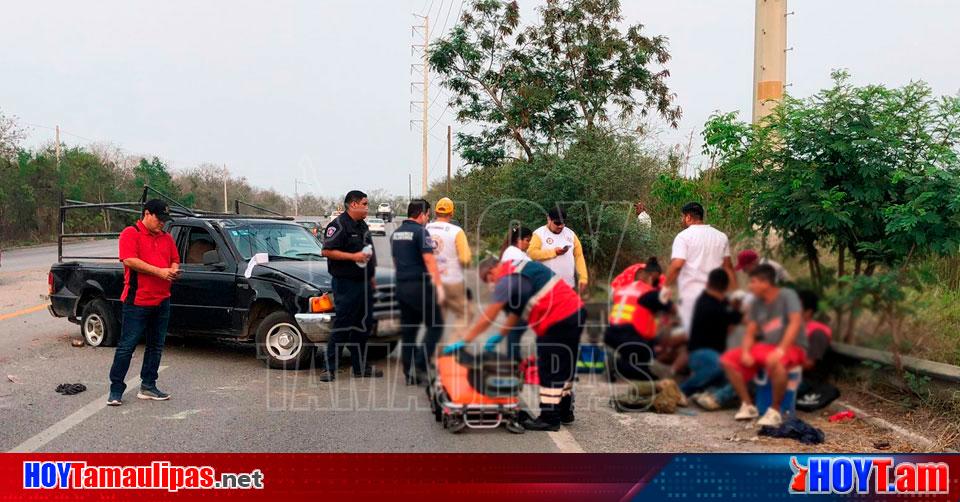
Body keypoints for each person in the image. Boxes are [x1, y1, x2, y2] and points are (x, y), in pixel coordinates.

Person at [450, 258, 586, 431]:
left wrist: (465, 340)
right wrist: (499, 336)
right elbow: (516, 313)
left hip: (557, 319)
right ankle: (565, 411)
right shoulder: (520, 270)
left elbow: (490, 315)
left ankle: (550, 419)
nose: (490, 284)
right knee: (563, 366)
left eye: (488, 279)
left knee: (549, 369)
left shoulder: (506, 279)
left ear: (492, 269)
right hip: (576, 312)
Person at [107, 199, 180, 406]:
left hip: (162, 300)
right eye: (159, 219)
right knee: (127, 346)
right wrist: (160, 272)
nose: (162, 224)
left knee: (156, 346)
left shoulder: (166, 238)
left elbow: (175, 258)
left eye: (165, 220)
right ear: (147, 214)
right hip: (137, 300)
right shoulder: (131, 233)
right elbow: (130, 260)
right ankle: (116, 389)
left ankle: (148, 385)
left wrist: (173, 269)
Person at [720, 264, 806, 427]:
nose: (750, 286)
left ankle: (775, 411)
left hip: (793, 346)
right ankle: (748, 405)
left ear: (765, 283)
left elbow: (795, 323)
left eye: (753, 282)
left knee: (777, 363)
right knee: (727, 360)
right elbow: (750, 332)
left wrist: (781, 350)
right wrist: (745, 352)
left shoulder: (788, 295)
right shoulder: (757, 303)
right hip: (766, 346)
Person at [320, 190, 383, 382]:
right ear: (353, 204)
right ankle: (329, 368)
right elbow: (326, 251)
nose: (367, 207)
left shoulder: (363, 226)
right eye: (364, 204)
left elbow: (369, 253)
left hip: (364, 284)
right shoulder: (339, 225)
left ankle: (360, 367)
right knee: (343, 325)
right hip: (346, 283)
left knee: (362, 326)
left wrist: (372, 279)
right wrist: (352, 257)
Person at [392, 199, 445, 385]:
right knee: (437, 325)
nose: (428, 218)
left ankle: (409, 372)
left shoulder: (396, 234)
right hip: (420, 287)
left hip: (402, 286)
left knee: (409, 331)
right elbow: (430, 261)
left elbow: (396, 261)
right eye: (428, 215)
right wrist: (439, 287)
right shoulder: (421, 232)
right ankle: (421, 364)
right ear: (422, 214)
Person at [662, 202, 736, 334]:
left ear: (688, 217)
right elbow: (728, 267)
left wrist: (666, 286)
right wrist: (735, 293)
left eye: (682, 217)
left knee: (694, 337)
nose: (682, 220)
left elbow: (677, 264)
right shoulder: (721, 236)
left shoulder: (683, 237)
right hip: (717, 296)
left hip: (692, 298)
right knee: (715, 336)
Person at [604, 257, 672, 381]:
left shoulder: (624, 288)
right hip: (629, 335)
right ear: (651, 277)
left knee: (640, 351)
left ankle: (617, 358)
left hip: (610, 333)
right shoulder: (649, 293)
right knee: (647, 362)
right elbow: (668, 309)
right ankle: (618, 366)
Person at [680, 268, 743, 397]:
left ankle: (707, 393)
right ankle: (681, 391)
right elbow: (736, 318)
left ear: (708, 284)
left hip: (708, 354)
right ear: (726, 287)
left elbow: (733, 316)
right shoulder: (713, 306)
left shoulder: (710, 301)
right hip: (701, 354)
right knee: (719, 366)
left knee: (730, 376)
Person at [425, 197, 472, 329]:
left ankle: (435, 348)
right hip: (452, 281)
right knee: (465, 315)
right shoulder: (457, 231)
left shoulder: (426, 228)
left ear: (435, 212)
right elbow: (465, 259)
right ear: (452, 213)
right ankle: (452, 347)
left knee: (437, 322)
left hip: (431, 281)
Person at [527, 206, 589, 295]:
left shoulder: (571, 234)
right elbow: (531, 253)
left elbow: (578, 256)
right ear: (549, 219)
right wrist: (554, 252)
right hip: (546, 287)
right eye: (557, 223)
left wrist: (583, 277)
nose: (560, 226)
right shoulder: (539, 234)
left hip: (568, 286)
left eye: (563, 223)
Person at [499, 225, 532, 360]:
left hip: (516, 294)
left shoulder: (514, 252)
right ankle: (513, 359)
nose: (529, 244)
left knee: (518, 327)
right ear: (519, 240)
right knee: (516, 328)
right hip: (515, 295)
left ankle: (514, 358)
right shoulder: (514, 253)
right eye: (527, 240)